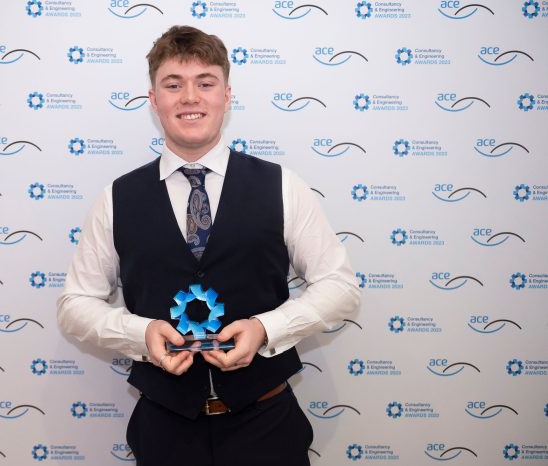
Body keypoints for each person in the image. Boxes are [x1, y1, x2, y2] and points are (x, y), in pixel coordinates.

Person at [57, 25, 360, 466]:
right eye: (173, 84)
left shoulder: (283, 187)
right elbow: (75, 303)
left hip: (268, 426)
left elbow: (340, 288)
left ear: (226, 94)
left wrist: (265, 329)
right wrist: (139, 334)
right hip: (164, 431)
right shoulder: (116, 199)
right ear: (153, 98)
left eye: (205, 83)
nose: (190, 97)